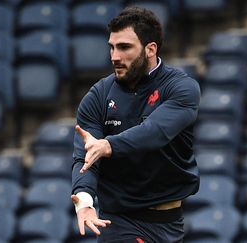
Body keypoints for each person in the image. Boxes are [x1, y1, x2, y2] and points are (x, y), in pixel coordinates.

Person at [71, 5, 200, 243]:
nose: (114, 57)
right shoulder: (98, 96)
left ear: (150, 49)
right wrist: (85, 200)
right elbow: (86, 157)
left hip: (171, 223)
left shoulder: (181, 88)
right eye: (111, 47)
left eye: (124, 47)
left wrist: (108, 145)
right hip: (119, 221)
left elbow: (156, 131)